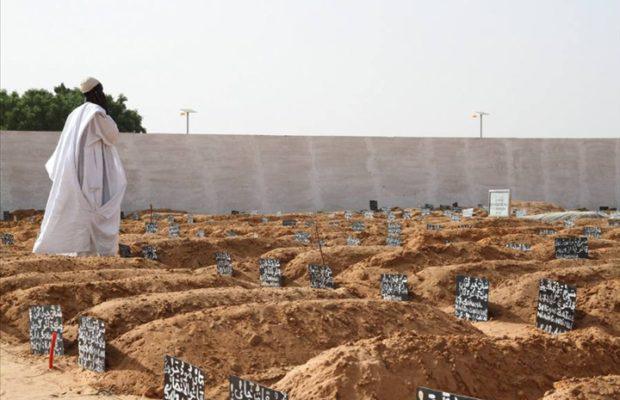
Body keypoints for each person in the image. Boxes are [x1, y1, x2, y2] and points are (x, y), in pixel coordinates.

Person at [33, 77, 127, 256]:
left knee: (78, 209)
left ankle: (80, 251)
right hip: (92, 171)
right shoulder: (96, 113)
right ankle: (93, 252)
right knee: (93, 209)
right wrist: (106, 111)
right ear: (97, 93)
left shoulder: (75, 113)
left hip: (75, 169)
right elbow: (113, 135)